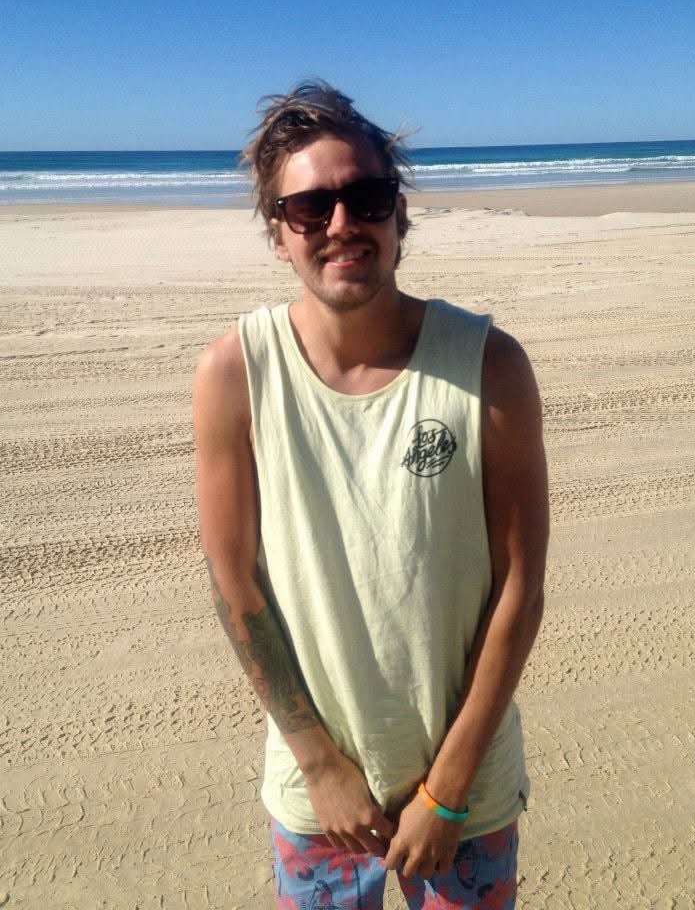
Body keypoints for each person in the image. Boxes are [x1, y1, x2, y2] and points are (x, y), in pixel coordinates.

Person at [193, 80, 549, 910]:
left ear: (400, 216)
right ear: (278, 234)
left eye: (368, 197)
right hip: (319, 796)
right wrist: (318, 762)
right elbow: (234, 583)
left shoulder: (489, 366)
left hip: (467, 787)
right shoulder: (234, 374)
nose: (343, 225)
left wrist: (449, 788)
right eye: (310, 208)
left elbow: (520, 589)